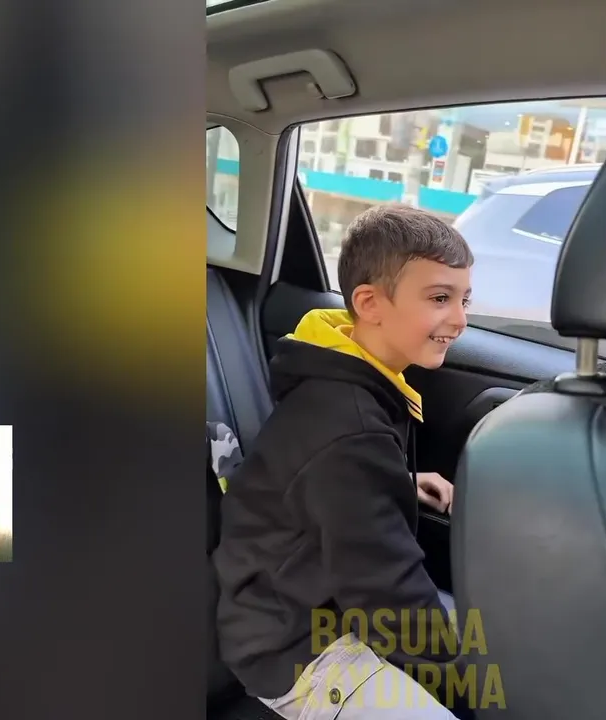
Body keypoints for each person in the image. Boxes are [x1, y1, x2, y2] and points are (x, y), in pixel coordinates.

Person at [214, 205, 473, 719]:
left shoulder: (347, 377)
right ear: (369, 303)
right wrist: (465, 669)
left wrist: (396, 481)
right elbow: (386, 585)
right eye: (440, 298)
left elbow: (332, 486)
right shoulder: (349, 430)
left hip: (310, 601)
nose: (460, 320)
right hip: (296, 647)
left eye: (465, 299)